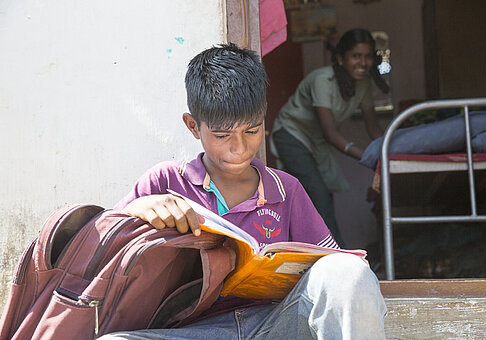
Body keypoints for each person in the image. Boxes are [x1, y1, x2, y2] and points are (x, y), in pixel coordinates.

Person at [99, 43, 386, 340]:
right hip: (196, 331)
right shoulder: (166, 182)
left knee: (350, 272)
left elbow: (335, 270)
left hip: (276, 324)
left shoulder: (287, 190)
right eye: (222, 135)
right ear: (193, 126)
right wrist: (136, 210)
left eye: (252, 130)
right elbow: (100, 243)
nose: (239, 148)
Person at [270, 28, 390, 246]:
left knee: (322, 198)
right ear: (341, 59)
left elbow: (373, 128)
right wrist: (368, 157)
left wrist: (388, 153)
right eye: (356, 56)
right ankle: (339, 256)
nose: (362, 63)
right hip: (291, 134)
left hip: (316, 143)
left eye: (368, 56)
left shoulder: (362, 84)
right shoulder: (323, 80)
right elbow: (330, 133)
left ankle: (323, 252)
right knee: (319, 195)